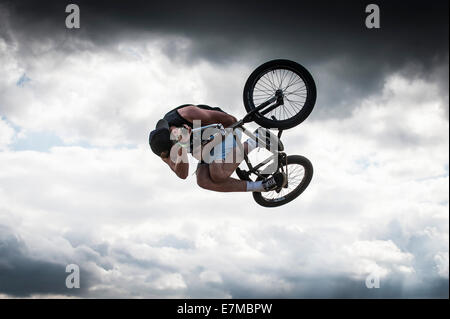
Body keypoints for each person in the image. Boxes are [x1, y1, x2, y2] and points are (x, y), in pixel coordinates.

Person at [149, 104, 286, 192]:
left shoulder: (188, 114)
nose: (176, 133)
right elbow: (182, 174)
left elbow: (231, 120)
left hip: (224, 127)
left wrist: (220, 138)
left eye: (173, 131)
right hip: (204, 144)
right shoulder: (164, 150)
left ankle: (256, 139)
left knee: (218, 174)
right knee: (203, 181)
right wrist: (183, 146)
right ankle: (261, 186)